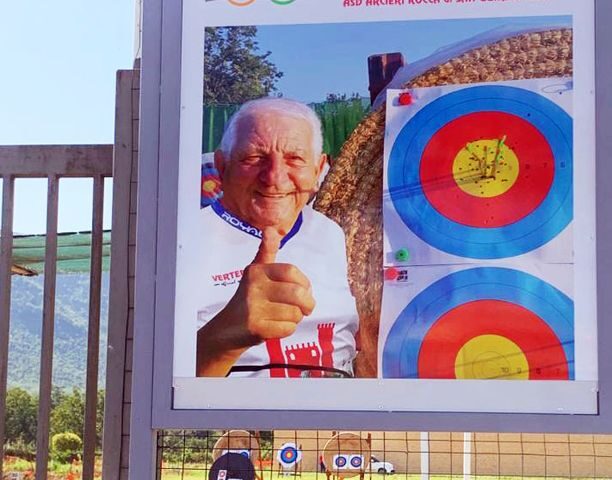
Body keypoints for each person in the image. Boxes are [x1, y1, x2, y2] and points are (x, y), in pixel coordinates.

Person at [195, 97, 359, 378]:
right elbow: (154, 388)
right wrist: (224, 337)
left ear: (319, 171)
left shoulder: (331, 234)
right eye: (253, 158)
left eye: (295, 159)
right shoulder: (184, 242)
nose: (274, 177)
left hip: (334, 417)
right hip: (235, 420)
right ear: (222, 166)